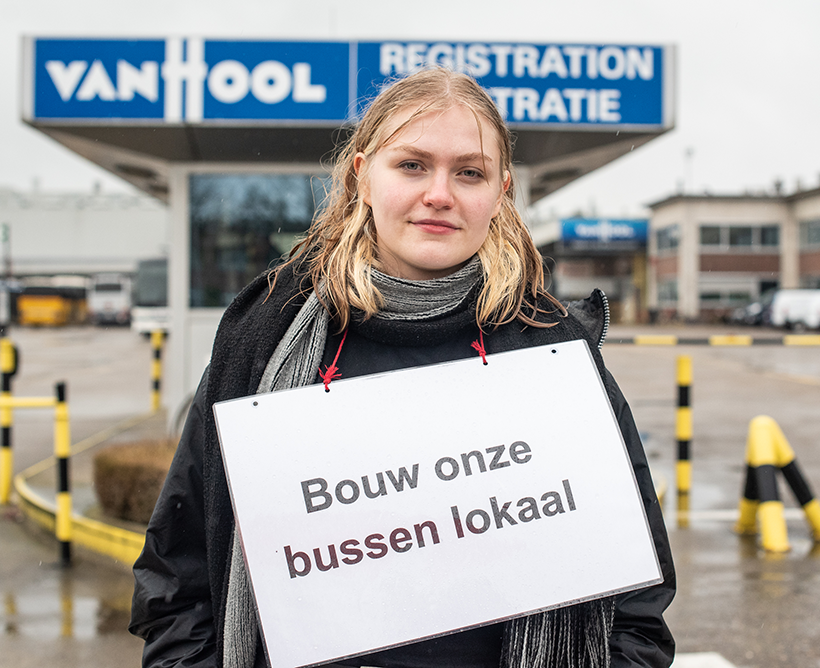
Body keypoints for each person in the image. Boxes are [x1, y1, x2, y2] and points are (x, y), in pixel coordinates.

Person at [130, 67, 675, 668]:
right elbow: (178, 581)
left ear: (501, 191)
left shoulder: (558, 356)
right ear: (363, 176)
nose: (439, 194)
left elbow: (635, 605)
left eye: (469, 172)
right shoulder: (264, 341)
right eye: (412, 165)